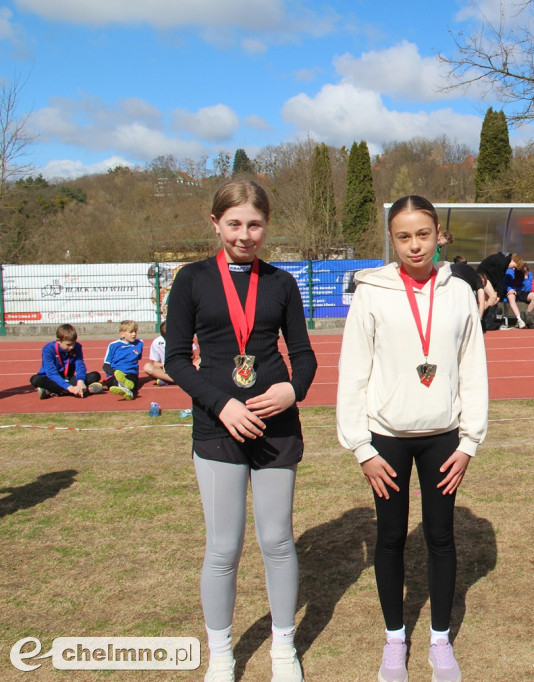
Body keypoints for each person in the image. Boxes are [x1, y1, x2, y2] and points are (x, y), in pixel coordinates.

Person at [164, 179, 318, 682]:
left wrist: (293, 391)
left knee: (276, 541)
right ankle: (223, 654)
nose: (245, 235)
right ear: (215, 224)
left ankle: (282, 649)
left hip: (276, 429)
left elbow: (303, 356)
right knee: (223, 548)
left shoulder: (281, 283)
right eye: (234, 224)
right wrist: (222, 405)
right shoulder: (190, 279)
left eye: (254, 224)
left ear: (266, 225)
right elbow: (174, 361)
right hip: (216, 429)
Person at [336, 195, 488, 682]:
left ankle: (440, 641)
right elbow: (353, 372)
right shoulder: (372, 291)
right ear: (392, 239)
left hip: (444, 438)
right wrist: (361, 446)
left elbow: (473, 368)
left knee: (441, 537)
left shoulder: (459, 290)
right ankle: (394, 638)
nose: (414, 245)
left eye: (423, 234)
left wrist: (469, 442)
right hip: (387, 440)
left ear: (438, 233)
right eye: (403, 236)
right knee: (390, 537)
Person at [29, 323, 103, 399]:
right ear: (58, 341)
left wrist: (80, 381)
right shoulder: (48, 349)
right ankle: (84, 390)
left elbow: (80, 365)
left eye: (73, 344)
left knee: (95, 375)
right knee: (35, 379)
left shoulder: (77, 347)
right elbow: (51, 373)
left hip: (68, 378)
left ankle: (52, 391)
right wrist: (70, 388)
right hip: (52, 379)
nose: (71, 347)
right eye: (68, 345)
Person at [102, 319, 144, 400]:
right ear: (122, 334)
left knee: (132, 381)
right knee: (113, 382)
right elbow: (106, 365)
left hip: (130, 372)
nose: (134, 334)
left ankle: (125, 388)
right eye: (131, 332)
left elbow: (138, 357)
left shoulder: (139, 343)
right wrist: (116, 373)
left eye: (135, 331)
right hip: (115, 373)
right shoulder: (113, 345)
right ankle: (126, 389)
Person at [143, 320, 175, 385]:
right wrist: (163, 365)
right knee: (147, 367)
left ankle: (168, 380)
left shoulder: (183, 337)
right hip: (165, 370)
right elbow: (155, 363)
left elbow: (192, 356)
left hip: (182, 367)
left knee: (200, 360)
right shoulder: (156, 342)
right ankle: (178, 380)